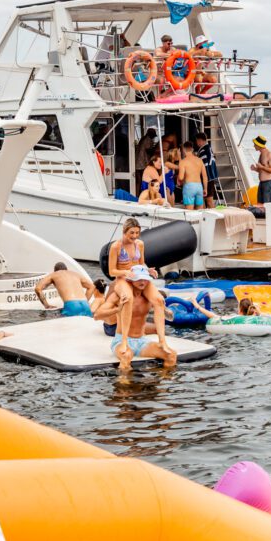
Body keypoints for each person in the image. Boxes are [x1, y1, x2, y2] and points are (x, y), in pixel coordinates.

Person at [95, 264, 176, 371]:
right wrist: (117, 309)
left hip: (141, 341)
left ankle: (162, 386)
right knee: (126, 356)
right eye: (138, 279)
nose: (142, 282)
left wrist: (164, 308)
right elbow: (97, 315)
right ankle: (123, 386)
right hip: (121, 341)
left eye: (145, 279)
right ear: (131, 280)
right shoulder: (120, 296)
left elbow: (169, 317)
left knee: (171, 355)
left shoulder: (149, 298)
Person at [107, 219, 169, 358]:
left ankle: (162, 341)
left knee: (158, 300)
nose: (134, 236)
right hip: (123, 279)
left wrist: (148, 270)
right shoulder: (116, 247)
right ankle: (123, 341)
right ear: (124, 231)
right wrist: (125, 272)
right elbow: (112, 271)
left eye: (137, 233)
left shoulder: (140, 244)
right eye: (131, 233)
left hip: (139, 277)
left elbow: (141, 264)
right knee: (128, 299)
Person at [177, 141, 207, 210]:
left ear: (183, 150)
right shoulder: (200, 160)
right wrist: (205, 188)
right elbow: (205, 176)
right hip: (199, 186)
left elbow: (181, 177)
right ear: (192, 149)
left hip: (189, 187)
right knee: (200, 211)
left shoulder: (183, 162)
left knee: (190, 212)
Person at [250, 135, 271, 204]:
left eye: (255, 144)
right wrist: (255, 169)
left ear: (259, 145)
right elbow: (262, 170)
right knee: (260, 205)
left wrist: (261, 167)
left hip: (269, 183)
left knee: (268, 206)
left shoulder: (269, 154)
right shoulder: (261, 154)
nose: (254, 146)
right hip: (262, 183)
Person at [190, 296, 260, 321]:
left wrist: (197, 306)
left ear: (240, 309)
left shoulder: (235, 318)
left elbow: (214, 317)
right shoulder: (254, 316)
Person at [196, 132, 218, 209]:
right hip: (211, 177)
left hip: (207, 178)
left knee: (209, 200)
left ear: (200, 140)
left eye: (197, 141)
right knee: (208, 200)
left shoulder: (203, 151)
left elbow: (203, 166)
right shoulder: (209, 148)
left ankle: (214, 218)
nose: (197, 143)